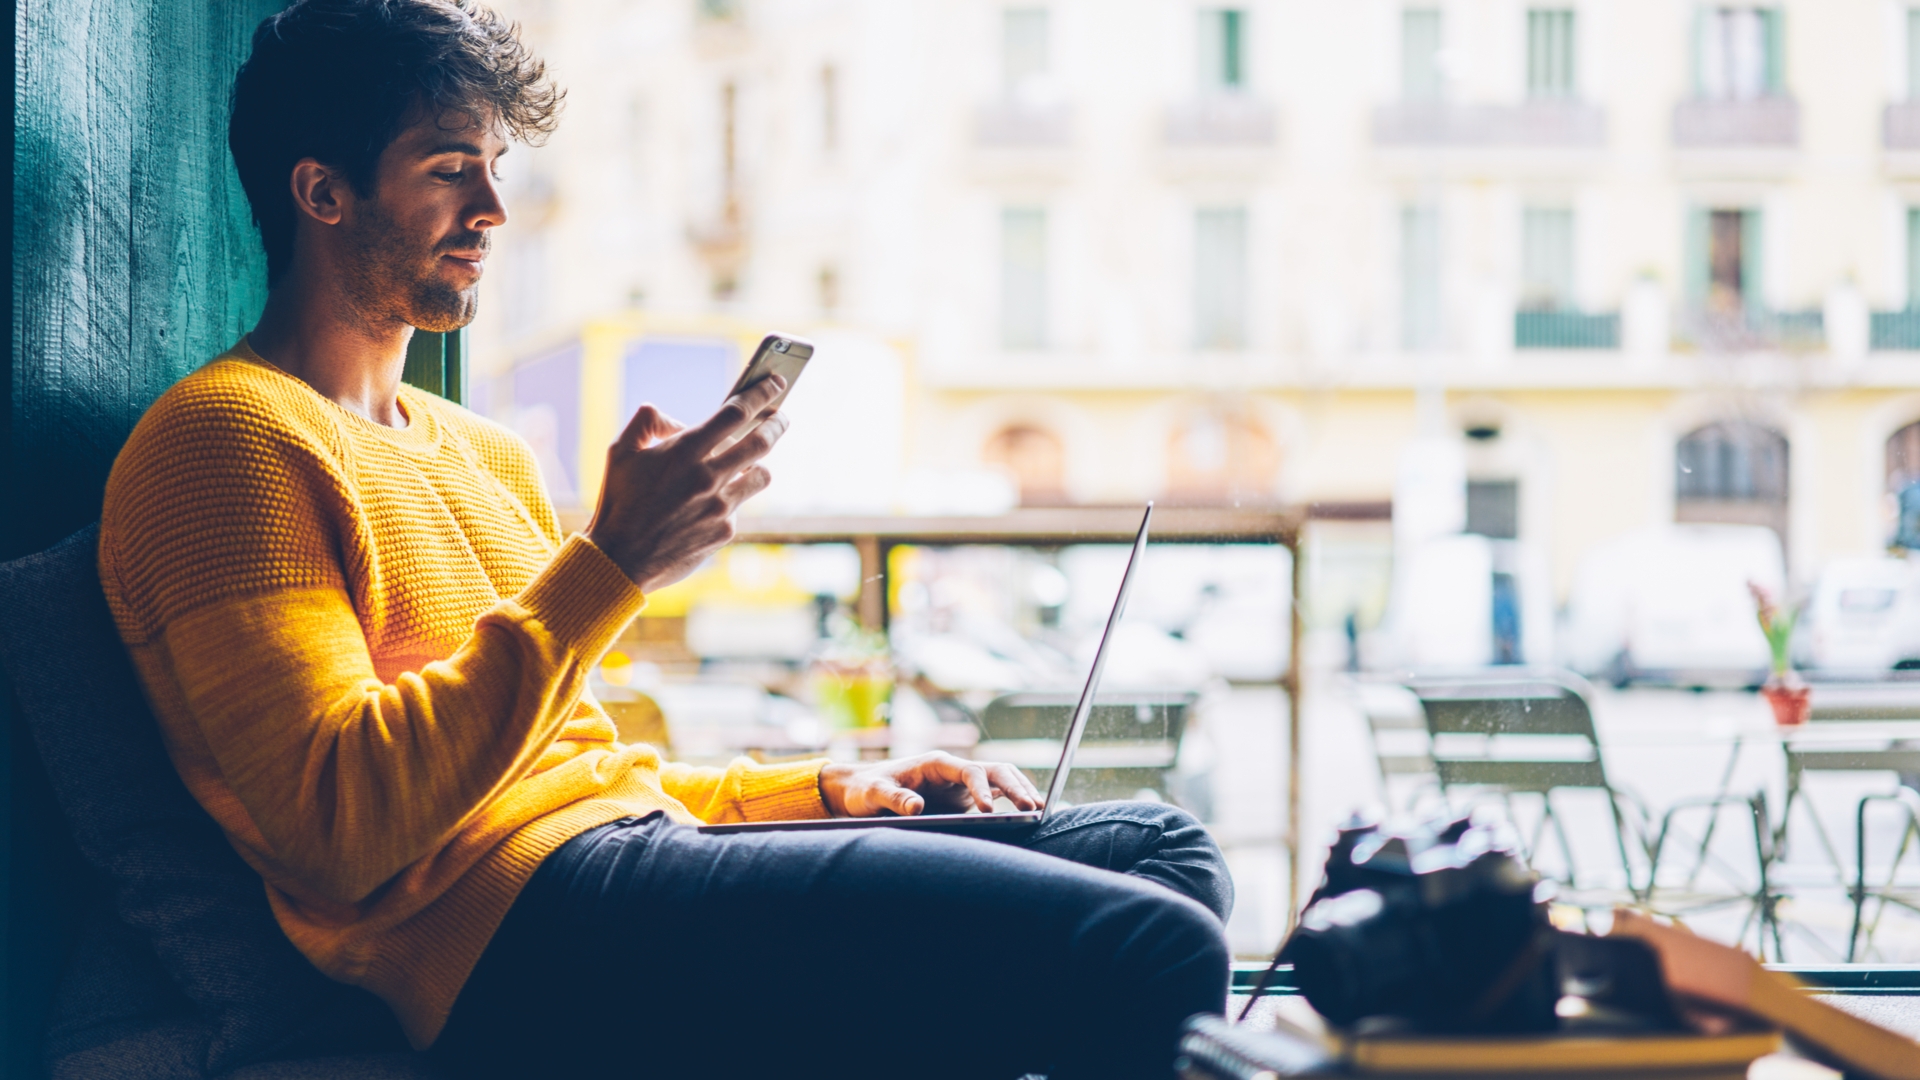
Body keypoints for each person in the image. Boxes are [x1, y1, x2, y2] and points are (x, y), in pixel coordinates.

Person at [97, 2, 1232, 1077]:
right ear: (322, 192)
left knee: (1167, 858)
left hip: (625, 868)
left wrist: (828, 791)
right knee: (1150, 947)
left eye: (498, 168)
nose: (493, 207)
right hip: (517, 948)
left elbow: (596, 775)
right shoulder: (227, 438)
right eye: (452, 170)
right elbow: (340, 828)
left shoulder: (483, 453)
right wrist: (613, 565)